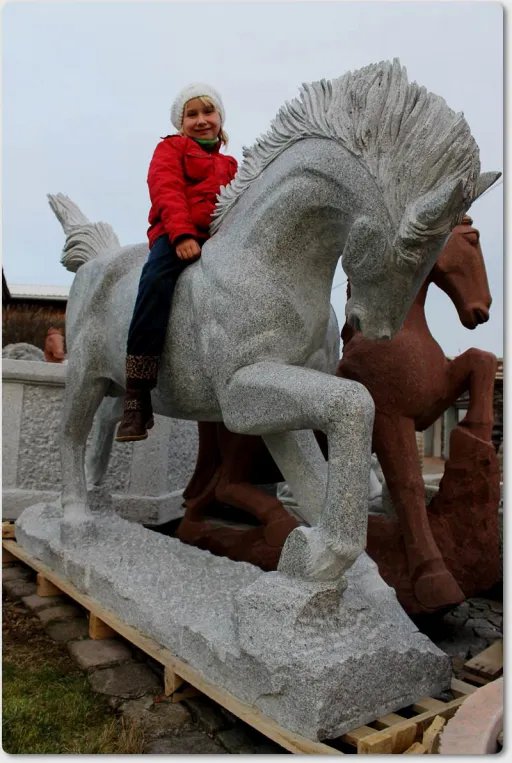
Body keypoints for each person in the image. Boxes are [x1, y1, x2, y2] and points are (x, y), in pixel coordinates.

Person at [116, 84, 238, 442]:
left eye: (208, 112)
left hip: (220, 241)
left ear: (219, 117)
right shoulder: (170, 147)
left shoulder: (231, 165)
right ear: (181, 122)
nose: (201, 120)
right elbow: (166, 187)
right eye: (192, 114)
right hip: (176, 236)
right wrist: (182, 235)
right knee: (155, 283)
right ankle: (137, 397)